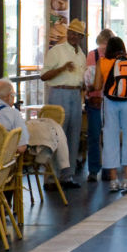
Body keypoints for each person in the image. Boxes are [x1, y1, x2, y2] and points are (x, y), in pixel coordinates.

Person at [41, 19, 87, 188]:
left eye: (77, 34)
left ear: (81, 37)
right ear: (67, 33)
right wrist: (62, 69)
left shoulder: (81, 54)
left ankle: (67, 176)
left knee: (74, 135)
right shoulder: (57, 51)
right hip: (59, 93)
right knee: (56, 135)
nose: (73, 36)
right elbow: (44, 76)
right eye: (71, 33)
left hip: (75, 94)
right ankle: (51, 178)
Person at [98, 33, 127, 193]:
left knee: (110, 138)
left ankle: (114, 181)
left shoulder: (102, 62)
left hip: (110, 102)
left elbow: (97, 84)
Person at [83, 28, 114, 183]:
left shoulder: (95, 55)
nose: (103, 48)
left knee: (101, 135)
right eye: (102, 44)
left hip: (101, 99)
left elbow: (90, 78)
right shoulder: (95, 55)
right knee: (101, 135)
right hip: (103, 100)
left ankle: (101, 169)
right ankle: (100, 169)